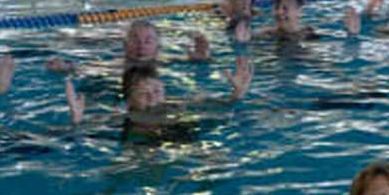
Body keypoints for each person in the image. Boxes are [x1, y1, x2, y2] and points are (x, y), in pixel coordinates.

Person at [65, 56, 252, 141]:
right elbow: (79, 132)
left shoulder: (180, 105)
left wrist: (236, 96)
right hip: (142, 146)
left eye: (156, 90)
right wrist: (77, 122)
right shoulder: (123, 118)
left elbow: (222, 107)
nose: (152, 97)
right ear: (129, 101)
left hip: (180, 141)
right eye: (144, 93)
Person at [43, 19, 209, 76]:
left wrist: (202, 59)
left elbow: (192, 60)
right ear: (124, 46)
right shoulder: (119, 65)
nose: (141, 46)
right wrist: (65, 66)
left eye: (148, 41)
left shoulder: (167, 62)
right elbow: (88, 67)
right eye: (135, 40)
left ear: (158, 48)